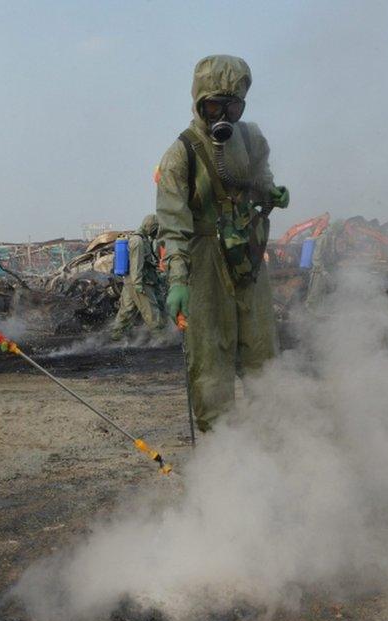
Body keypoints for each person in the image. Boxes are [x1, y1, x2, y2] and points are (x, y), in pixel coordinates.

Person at [155, 55, 289, 433]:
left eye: (232, 106)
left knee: (262, 352)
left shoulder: (251, 138)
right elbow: (172, 221)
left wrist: (271, 190)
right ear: (199, 101)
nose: (223, 115)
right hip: (204, 261)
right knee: (211, 358)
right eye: (214, 105)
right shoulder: (180, 153)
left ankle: (274, 444)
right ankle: (223, 457)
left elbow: (260, 174)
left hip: (248, 257)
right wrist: (178, 279)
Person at [110, 214, 166, 341]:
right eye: (156, 229)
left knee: (127, 310)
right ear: (151, 227)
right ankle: (161, 338)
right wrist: (138, 284)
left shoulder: (144, 239)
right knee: (150, 310)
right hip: (139, 281)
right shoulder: (138, 241)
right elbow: (136, 265)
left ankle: (116, 336)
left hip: (132, 281)